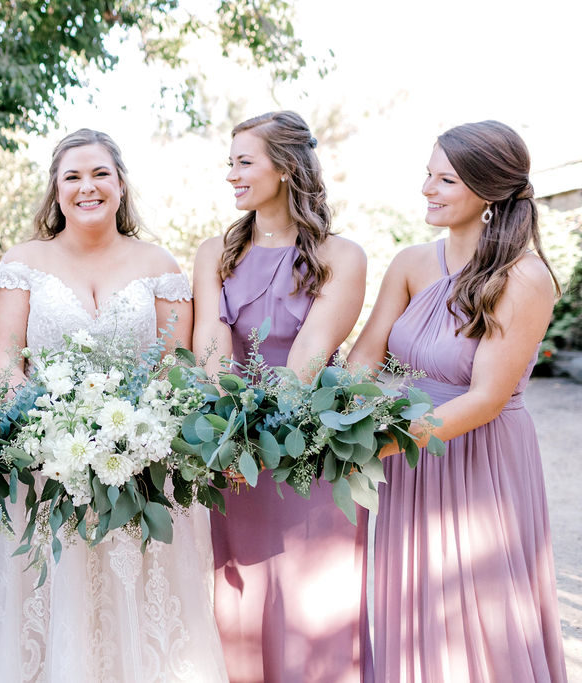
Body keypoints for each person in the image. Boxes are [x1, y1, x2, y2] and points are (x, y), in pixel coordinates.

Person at [0, 128, 228, 682]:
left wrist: (138, 434)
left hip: (141, 469)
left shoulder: (158, 264)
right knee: (57, 606)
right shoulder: (22, 262)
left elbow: (173, 365)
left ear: (120, 185)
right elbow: (1, 361)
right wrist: (51, 433)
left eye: (99, 174)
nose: (86, 187)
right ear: (55, 190)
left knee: (143, 610)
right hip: (49, 468)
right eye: (72, 177)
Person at [348, 120, 568, 682]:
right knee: (416, 601)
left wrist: (380, 444)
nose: (426, 188)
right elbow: (366, 356)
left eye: (445, 179)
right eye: (428, 175)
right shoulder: (410, 263)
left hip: (478, 457)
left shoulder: (523, 277)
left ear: (489, 192)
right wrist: (341, 423)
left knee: (480, 611)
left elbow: (487, 398)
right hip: (408, 456)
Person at [192, 111, 371, 683]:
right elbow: (208, 348)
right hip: (230, 452)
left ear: (286, 167)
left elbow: (308, 358)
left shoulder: (341, 257)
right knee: (238, 606)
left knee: (312, 607)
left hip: (304, 452)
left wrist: (257, 435)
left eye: (244, 162)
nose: (232, 176)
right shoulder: (212, 253)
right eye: (231, 163)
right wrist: (227, 438)